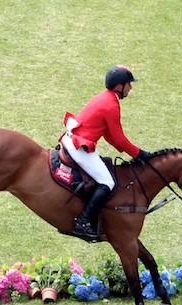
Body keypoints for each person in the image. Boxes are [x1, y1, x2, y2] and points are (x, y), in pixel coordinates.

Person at [60, 65, 152, 241]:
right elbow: (119, 138)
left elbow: (110, 135)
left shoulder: (105, 98)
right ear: (119, 86)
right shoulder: (111, 105)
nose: (131, 87)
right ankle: (82, 222)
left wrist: (134, 152)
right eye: (129, 84)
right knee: (108, 182)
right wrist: (139, 154)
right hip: (79, 146)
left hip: (73, 139)